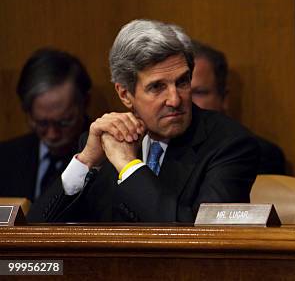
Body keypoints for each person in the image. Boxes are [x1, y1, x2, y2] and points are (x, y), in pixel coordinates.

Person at [27, 19, 259, 223]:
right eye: (157, 87)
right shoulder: (106, 142)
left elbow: (203, 239)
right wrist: (85, 162)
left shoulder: (229, 144)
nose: (175, 99)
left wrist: (130, 167)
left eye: (182, 82)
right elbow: (35, 231)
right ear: (125, 94)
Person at [0, 49, 91, 201]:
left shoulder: (105, 160)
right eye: (41, 123)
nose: (52, 135)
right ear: (28, 112)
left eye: (64, 122)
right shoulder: (5, 159)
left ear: (85, 103)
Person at [191, 40, 286, 174]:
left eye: (199, 92)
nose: (185, 102)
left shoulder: (258, 154)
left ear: (224, 98)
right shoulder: (158, 153)